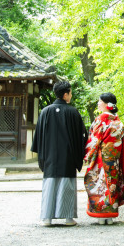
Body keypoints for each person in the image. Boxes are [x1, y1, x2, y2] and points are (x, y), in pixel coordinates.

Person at [31, 81, 87, 227]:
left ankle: (47, 219)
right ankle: (68, 218)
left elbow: (39, 135)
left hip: (49, 155)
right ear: (65, 94)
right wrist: (80, 152)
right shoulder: (72, 112)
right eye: (70, 93)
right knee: (67, 184)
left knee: (49, 184)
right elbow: (81, 135)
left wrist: (42, 153)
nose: (71, 95)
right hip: (68, 156)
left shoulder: (45, 111)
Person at [84, 92, 124, 224]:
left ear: (106, 104)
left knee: (100, 184)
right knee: (112, 184)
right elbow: (122, 140)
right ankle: (110, 216)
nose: (98, 103)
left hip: (101, 159)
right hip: (114, 159)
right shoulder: (117, 121)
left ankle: (101, 216)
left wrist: (88, 155)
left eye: (100, 101)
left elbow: (94, 140)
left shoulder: (101, 119)